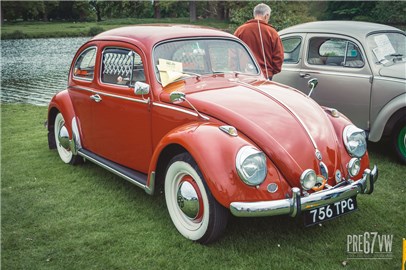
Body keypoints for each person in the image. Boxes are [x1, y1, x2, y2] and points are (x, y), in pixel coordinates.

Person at [234, 3, 284, 80]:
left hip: (243, 75)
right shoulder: (272, 32)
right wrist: (271, 71)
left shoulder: (240, 30)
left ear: (255, 14)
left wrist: (235, 71)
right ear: (266, 15)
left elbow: (233, 54)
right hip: (265, 74)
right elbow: (278, 57)